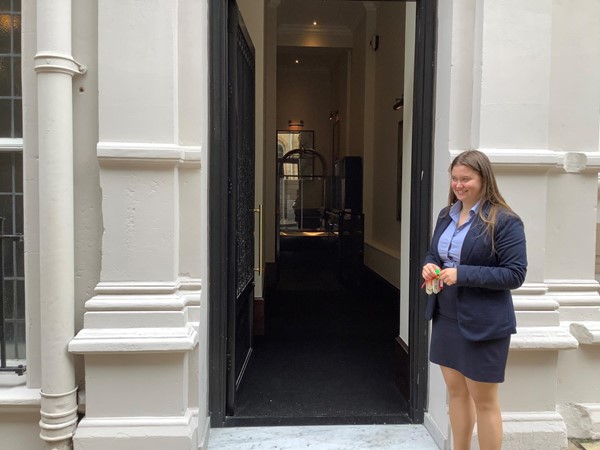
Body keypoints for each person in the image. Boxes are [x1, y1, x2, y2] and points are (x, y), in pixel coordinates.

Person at [422, 150, 527, 450]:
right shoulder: (446, 215)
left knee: (485, 402)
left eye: (466, 179)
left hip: (484, 324)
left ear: (484, 179)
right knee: (455, 394)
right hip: (446, 316)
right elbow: (435, 253)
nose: (459, 185)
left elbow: (514, 275)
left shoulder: (505, 221)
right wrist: (430, 265)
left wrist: (461, 274)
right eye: (455, 178)